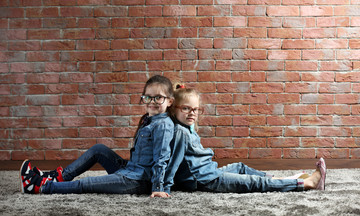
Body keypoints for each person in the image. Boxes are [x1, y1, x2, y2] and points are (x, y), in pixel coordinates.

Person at [20, 75, 175, 198]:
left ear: (169, 101)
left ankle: (40, 186)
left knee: (87, 183)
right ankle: (57, 177)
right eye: (148, 97)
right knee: (99, 149)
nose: (152, 102)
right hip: (129, 169)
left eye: (158, 97)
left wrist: (158, 188)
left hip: (137, 181)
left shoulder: (163, 125)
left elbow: (161, 159)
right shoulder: (150, 120)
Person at [163, 85, 326, 195]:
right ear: (173, 109)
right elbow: (173, 164)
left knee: (240, 167)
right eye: (186, 108)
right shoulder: (179, 131)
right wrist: (163, 187)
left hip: (209, 171)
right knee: (253, 183)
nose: (192, 113)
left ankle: (279, 179)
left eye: (195, 109)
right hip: (205, 180)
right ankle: (305, 184)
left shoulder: (187, 128)